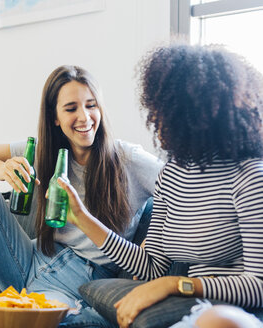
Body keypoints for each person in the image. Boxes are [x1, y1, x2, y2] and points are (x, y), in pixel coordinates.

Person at [0, 65, 163, 326]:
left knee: (47, 322)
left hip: (81, 281)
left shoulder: (129, 160)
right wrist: (0, 169)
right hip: (29, 258)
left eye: (91, 105)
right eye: (71, 108)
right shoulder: (43, 152)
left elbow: (181, 190)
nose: (84, 117)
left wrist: (151, 242)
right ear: (55, 117)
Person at [56, 44, 263, 327]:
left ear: (202, 115)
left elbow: (258, 284)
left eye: (167, 112)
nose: (157, 121)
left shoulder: (250, 175)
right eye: (157, 110)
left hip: (235, 313)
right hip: (195, 310)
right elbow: (152, 267)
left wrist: (177, 285)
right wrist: (82, 218)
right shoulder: (171, 175)